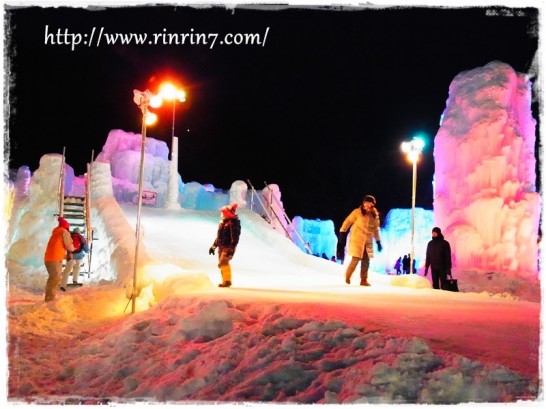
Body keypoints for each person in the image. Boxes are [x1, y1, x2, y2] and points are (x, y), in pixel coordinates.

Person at [336, 195, 382, 286]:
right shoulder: (357, 212)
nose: (368, 205)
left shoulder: (374, 215)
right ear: (363, 203)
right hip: (357, 239)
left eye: (370, 203)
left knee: (366, 261)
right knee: (355, 259)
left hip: (368, 242)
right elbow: (348, 221)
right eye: (366, 203)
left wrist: (378, 241)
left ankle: (363, 280)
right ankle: (348, 276)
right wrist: (342, 231)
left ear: (373, 204)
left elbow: (376, 229)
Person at [209, 203, 241, 288]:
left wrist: (231, 248)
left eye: (223, 213)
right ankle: (224, 281)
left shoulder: (233, 223)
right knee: (221, 264)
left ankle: (227, 281)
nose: (222, 214)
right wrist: (213, 246)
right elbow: (219, 237)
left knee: (223, 262)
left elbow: (235, 237)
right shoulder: (223, 223)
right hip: (221, 246)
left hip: (228, 247)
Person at [43, 217, 75, 302]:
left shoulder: (56, 233)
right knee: (55, 278)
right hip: (54, 259)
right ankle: (49, 299)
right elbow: (69, 246)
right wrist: (73, 249)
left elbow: (57, 248)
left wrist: (64, 256)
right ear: (66, 227)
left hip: (49, 258)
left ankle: (50, 297)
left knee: (54, 278)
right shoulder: (64, 232)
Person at [60, 227, 89, 291]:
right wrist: (87, 251)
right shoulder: (81, 237)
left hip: (71, 255)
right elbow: (86, 248)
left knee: (67, 270)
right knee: (77, 268)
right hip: (79, 256)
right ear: (79, 232)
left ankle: (63, 285)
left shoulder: (69, 237)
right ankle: (75, 281)